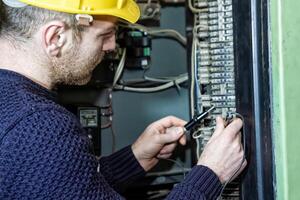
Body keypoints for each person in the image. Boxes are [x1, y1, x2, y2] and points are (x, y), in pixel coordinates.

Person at [0, 0, 247, 199]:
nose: (111, 46)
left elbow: (63, 188)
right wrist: (212, 174)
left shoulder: (15, 108)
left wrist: (135, 158)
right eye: (106, 34)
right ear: (56, 38)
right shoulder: (36, 128)